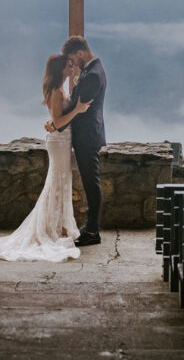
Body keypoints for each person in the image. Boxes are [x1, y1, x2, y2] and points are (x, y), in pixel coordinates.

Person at [0, 53, 92, 262]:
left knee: (61, 181)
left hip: (61, 139)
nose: (71, 68)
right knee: (58, 181)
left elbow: (55, 120)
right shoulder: (56, 90)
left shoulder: (60, 88)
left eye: (72, 65)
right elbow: (60, 120)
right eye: (68, 66)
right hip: (59, 141)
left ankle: (57, 225)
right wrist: (79, 110)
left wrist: (55, 122)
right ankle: (52, 227)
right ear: (60, 69)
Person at [49, 35, 107, 247]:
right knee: (91, 182)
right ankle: (91, 228)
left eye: (73, 59)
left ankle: (93, 231)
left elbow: (79, 109)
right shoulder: (94, 69)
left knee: (91, 183)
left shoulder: (91, 75)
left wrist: (58, 124)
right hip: (87, 134)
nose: (72, 64)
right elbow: (76, 105)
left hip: (87, 136)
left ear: (81, 53)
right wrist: (56, 120)